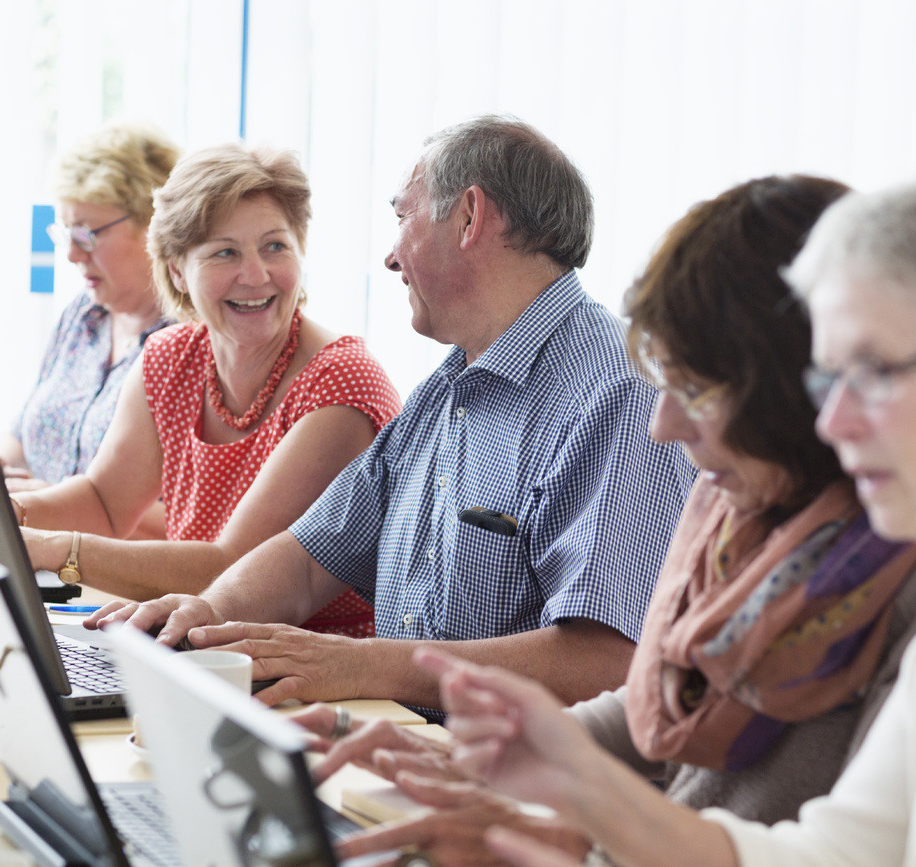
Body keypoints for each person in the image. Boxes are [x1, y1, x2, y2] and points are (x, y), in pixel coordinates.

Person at [294, 176, 916, 866]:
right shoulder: (733, 500)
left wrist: (572, 837)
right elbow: (657, 700)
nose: (663, 423)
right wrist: (474, 757)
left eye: (698, 390)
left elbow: (838, 851)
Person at [86, 115, 697, 714]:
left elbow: (611, 662)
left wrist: (362, 664)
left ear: (469, 217)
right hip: (414, 751)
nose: (389, 256)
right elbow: (307, 559)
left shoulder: (617, 393)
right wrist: (207, 617)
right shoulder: (449, 385)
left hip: (519, 784)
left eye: (403, 216)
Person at [13, 144, 401, 639]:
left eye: (275, 247)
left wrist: (54, 548)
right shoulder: (170, 358)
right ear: (177, 269)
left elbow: (234, 570)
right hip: (197, 648)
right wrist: (5, 511)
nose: (256, 274)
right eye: (225, 252)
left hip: (317, 677)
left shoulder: (341, 385)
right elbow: (104, 502)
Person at [0, 122, 179, 498]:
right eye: (66, 234)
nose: (72, 254)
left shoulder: (190, 344)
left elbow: (195, 520)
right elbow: (24, 433)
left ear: (154, 226)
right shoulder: (83, 315)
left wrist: (57, 503)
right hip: (33, 543)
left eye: (86, 234)